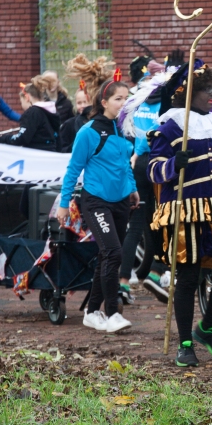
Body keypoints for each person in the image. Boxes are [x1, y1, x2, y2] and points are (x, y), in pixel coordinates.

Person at [148, 63, 212, 367]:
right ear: (188, 93)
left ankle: (206, 328)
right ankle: (185, 344)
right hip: (185, 209)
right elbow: (153, 169)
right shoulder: (170, 125)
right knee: (189, 278)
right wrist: (171, 165)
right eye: (207, 90)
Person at [56, 72, 137, 334]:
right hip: (95, 201)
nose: (123, 103)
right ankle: (111, 313)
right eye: (118, 99)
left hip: (122, 201)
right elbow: (72, 170)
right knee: (114, 252)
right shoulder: (88, 132)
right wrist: (64, 203)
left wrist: (133, 190)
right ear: (104, 102)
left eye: (127, 98)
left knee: (107, 255)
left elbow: (125, 164)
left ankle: (91, 312)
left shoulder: (126, 129)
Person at [117, 64, 168, 299]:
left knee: (136, 226)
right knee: (163, 221)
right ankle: (157, 273)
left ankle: (124, 282)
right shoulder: (166, 104)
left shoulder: (138, 103)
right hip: (159, 166)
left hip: (138, 164)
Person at [0, 76, 59, 151]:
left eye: (21, 102)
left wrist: (3, 138)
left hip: (36, 155)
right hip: (51, 153)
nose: (21, 105)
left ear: (27, 98)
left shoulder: (32, 113)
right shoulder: (51, 112)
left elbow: (22, 138)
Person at [58, 87, 91, 153]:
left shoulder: (98, 122)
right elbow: (61, 149)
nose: (82, 106)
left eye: (85, 102)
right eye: (79, 103)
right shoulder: (69, 124)